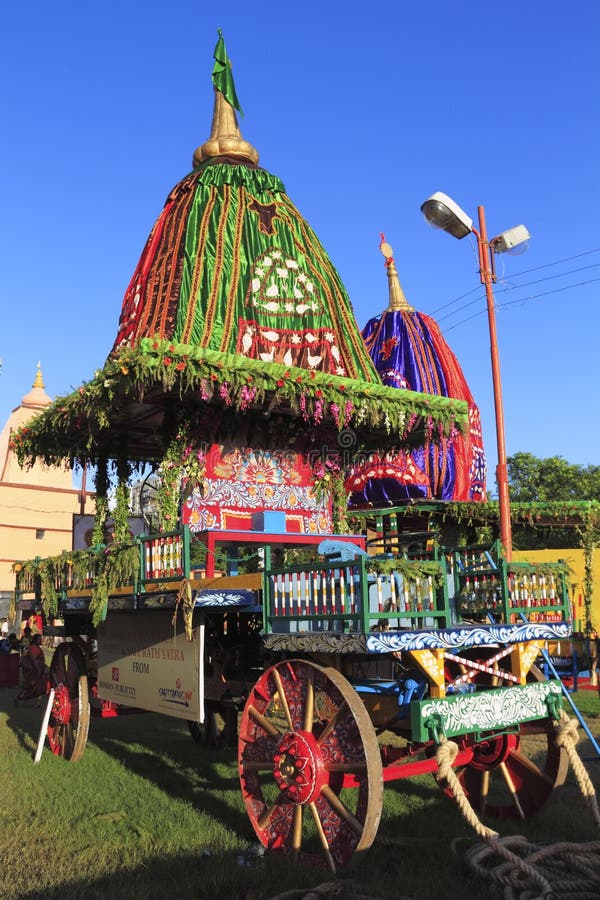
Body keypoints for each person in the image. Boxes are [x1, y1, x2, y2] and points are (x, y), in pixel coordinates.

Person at [15, 634, 48, 703]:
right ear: (35, 640)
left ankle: (37, 702)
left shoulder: (36, 647)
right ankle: (19, 698)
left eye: (40, 639)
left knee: (39, 687)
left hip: (38, 669)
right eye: (39, 639)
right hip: (34, 670)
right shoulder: (33, 648)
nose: (40, 641)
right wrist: (38, 670)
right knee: (31, 686)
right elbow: (33, 660)